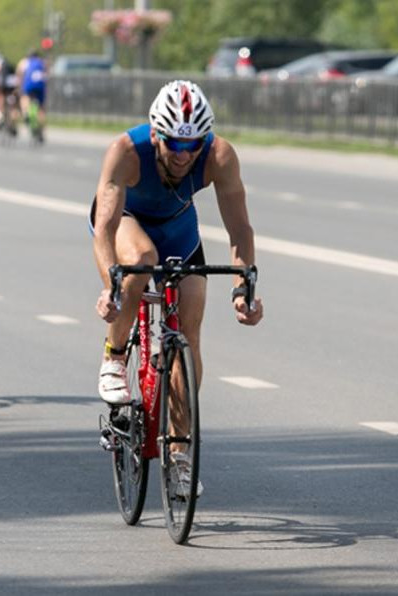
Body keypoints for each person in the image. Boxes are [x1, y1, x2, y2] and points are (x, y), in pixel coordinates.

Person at [90, 80, 263, 494]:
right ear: (155, 134)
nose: (184, 156)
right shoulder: (126, 152)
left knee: (189, 326)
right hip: (126, 221)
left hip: (179, 229)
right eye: (173, 144)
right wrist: (111, 285)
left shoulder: (218, 155)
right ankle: (114, 357)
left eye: (193, 145)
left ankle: (180, 453)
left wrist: (244, 287)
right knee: (142, 260)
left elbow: (240, 228)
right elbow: (104, 228)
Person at [16, 49, 47, 141]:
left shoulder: (24, 62)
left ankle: (26, 114)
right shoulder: (42, 62)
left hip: (29, 85)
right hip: (40, 86)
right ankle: (41, 131)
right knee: (41, 109)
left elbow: (19, 73)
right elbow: (47, 74)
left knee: (24, 98)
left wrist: (19, 86)